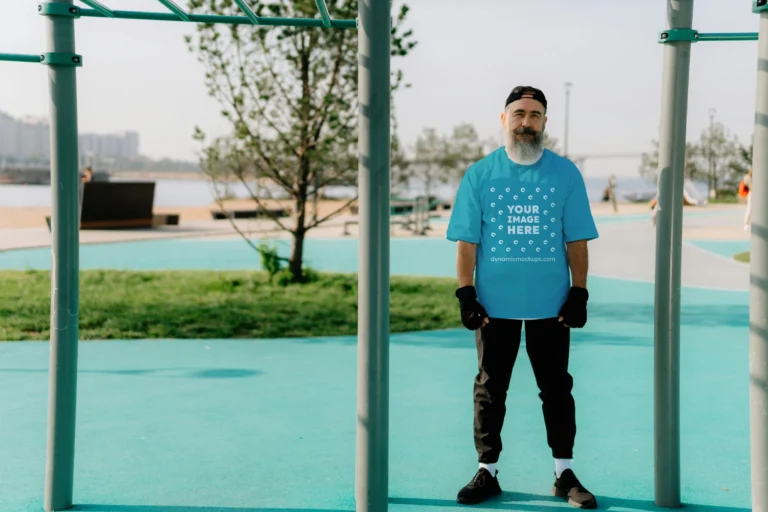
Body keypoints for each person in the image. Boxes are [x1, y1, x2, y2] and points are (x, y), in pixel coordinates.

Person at [446, 85, 599, 508]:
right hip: (495, 308)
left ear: (545, 122)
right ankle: (486, 471)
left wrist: (579, 292)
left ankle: (564, 473)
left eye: (534, 115)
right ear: (504, 120)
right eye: (518, 114)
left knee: (556, 390)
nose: (526, 122)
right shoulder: (480, 174)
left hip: (551, 307)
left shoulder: (565, 174)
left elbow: (577, 240)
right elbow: (466, 242)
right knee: (490, 389)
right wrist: (466, 294)